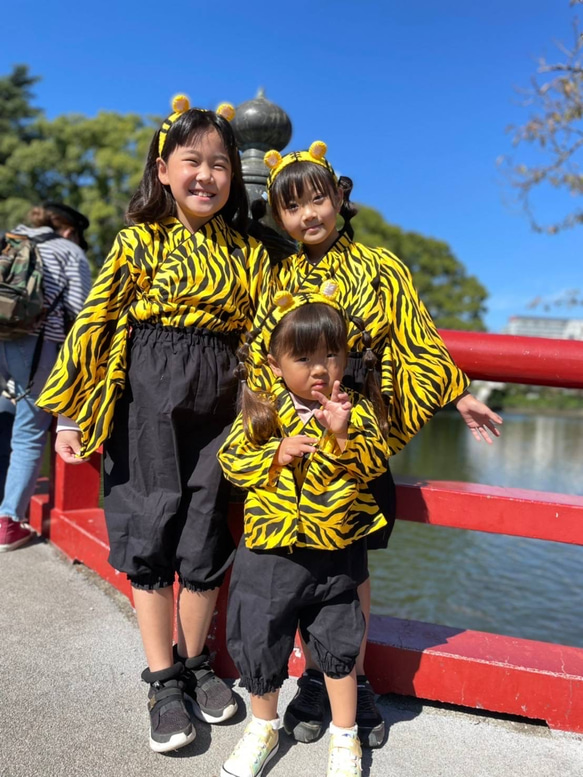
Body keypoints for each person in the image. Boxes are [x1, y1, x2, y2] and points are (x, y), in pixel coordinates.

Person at [247, 141, 503, 748]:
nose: (309, 215)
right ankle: (314, 679)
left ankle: (349, 679)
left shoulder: (382, 267)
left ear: (339, 197)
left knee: (349, 563)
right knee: (302, 558)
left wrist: (456, 393)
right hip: (297, 428)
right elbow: (261, 351)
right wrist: (267, 424)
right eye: (293, 206)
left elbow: (416, 333)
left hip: (357, 424)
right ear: (279, 216)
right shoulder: (277, 274)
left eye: (318, 198)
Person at [36, 95, 270, 754]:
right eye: (192, 161)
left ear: (233, 178)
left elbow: (264, 331)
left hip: (222, 391)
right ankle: (163, 680)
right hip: (150, 386)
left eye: (219, 164)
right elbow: (96, 322)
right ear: (163, 169)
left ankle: (195, 664)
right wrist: (70, 410)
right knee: (151, 517)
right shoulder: (140, 239)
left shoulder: (249, 253)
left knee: (203, 525)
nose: (206, 175)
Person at [218, 293, 390, 777]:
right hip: (269, 552)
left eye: (331, 355)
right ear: (275, 364)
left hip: (334, 552)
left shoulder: (354, 412)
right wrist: (274, 455)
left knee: (338, 643)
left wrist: (340, 436)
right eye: (304, 358)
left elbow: (371, 467)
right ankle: (263, 725)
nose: (320, 369)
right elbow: (229, 462)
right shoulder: (261, 413)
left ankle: (345, 736)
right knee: (262, 636)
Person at [0, 202, 92, 552]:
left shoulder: (13, 240)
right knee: (30, 432)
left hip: (3, 343)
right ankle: (8, 522)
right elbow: (82, 313)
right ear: (69, 230)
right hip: (36, 347)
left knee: (7, 414)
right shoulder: (67, 250)